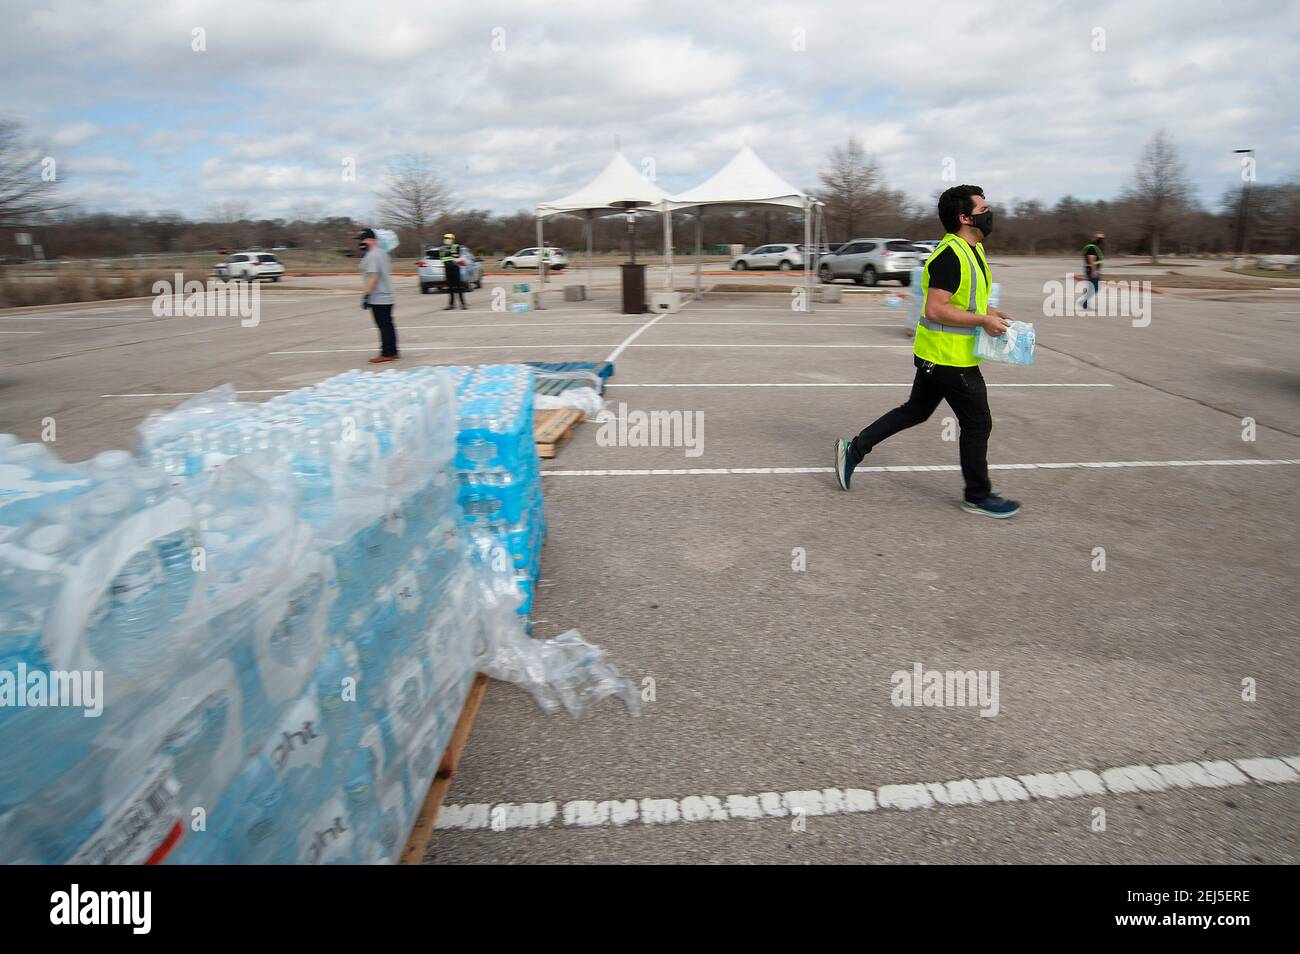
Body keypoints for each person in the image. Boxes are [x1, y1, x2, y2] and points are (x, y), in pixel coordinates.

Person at [834, 184, 1021, 518]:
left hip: (940, 354)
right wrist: (981, 319)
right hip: (950, 359)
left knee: (915, 411)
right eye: (983, 210)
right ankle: (978, 496)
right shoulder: (950, 255)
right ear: (964, 217)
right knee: (978, 423)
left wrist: (990, 313)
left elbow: (964, 300)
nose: (989, 214)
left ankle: (854, 449)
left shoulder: (971, 250)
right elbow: (936, 310)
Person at [358, 228, 398, 363]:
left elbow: (373, 277)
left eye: (362, 240)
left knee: (383, 325)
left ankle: (386, 353)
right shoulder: (383, 253)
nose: (360, 243)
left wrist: (366, 295)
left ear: (369, 240)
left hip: (379, 297)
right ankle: (393, 351)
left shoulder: (373, 255)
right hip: (388, 295)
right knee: (388, 324)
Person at [439, 232, 468, 310]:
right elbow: (442, 257)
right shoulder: (441, 248)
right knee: (450, 288)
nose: (446, 240)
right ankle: (451, 305)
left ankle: (463, 304)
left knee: (458, 287)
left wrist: (448, 252)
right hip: (447, 269)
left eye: (448, 239)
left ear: (452, 240)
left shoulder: (456, 246)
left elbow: (456, 255)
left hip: (455, 269)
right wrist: (449, 253)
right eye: (445, 238)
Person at [1082, 231, 1104, 310]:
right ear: (1096, 238)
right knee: (1096, 288)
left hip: (1092, 269)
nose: (1102, 240)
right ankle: (1084, 299)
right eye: (1100, 238)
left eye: (1102, 238)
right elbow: (1091, 259)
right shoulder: (1092, 247)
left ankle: (1085, 300)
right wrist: (1094, 271)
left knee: (1092, 287)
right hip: (1092, 270)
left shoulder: (1094, 246)